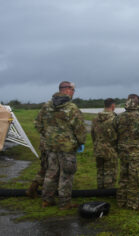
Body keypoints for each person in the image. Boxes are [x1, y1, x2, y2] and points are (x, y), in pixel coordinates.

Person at [35, 81, 86, 209]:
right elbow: (79, 129)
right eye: (73, 90)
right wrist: (81, 142)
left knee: (51, 172)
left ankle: (47, 200)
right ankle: (64, 203)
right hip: (67, 147)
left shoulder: (46, 106)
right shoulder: (72, 108)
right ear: (67, 89)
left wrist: (49, 135)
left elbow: (38, 124)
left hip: (50, 146)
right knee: (67, 174)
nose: (73, 92)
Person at [114, 94, 139, 211]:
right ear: (138, 104)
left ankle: (121, 202)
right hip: (138, 154)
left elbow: (113, 136)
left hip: (123, 153)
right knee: (136, 179)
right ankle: (133, 204)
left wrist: (118, 148)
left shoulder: (118, 118)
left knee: (124, 177)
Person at [91, 98, 118, 189]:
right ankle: (108, 190)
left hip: (98, 148)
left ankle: (100, 189)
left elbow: (93, 134)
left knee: (100, 170)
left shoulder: (95, 119)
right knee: (110, 171)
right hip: (110, 150)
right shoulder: (115, 119)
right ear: (113, 106)